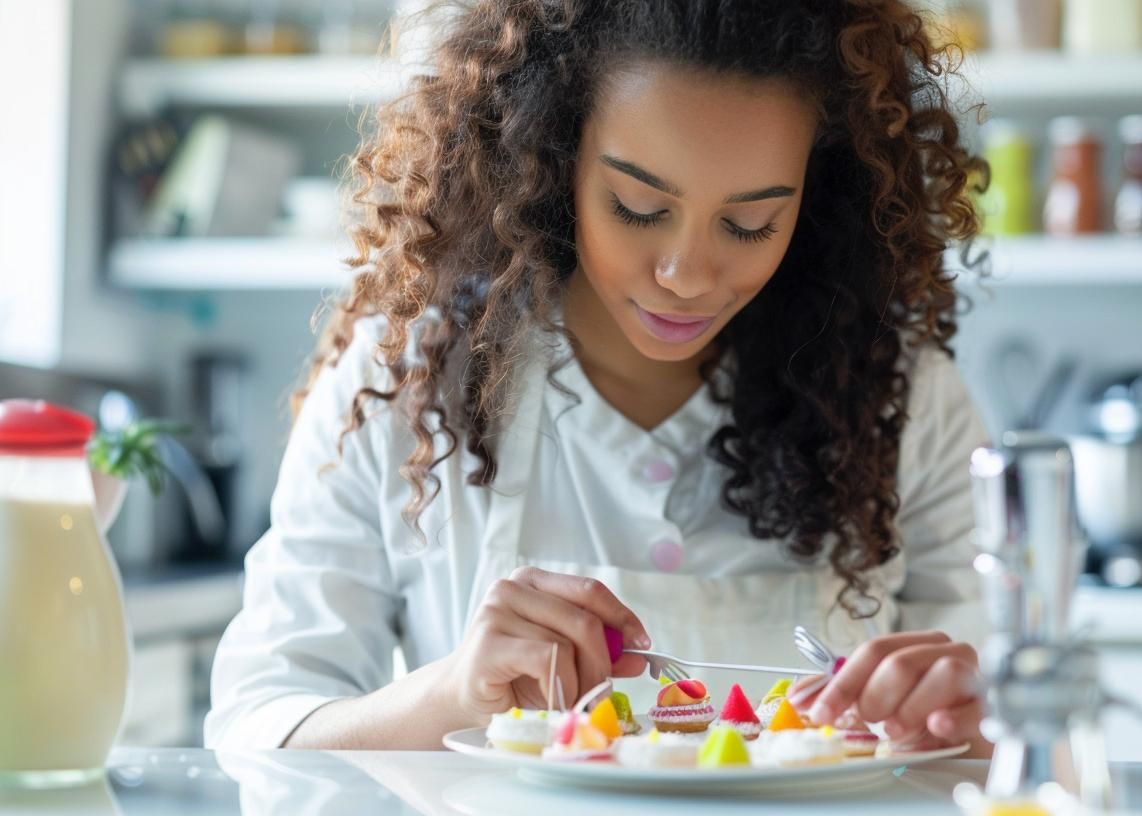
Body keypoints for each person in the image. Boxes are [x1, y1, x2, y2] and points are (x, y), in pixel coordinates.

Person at [205, 0, 992, 755]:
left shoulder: (904, 403)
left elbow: (1027, 745)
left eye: (750, 223)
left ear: (815, 201)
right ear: (554, 159)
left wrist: (976, 727)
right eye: (638, 207)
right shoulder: (409, 379)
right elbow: (254, 729)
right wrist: (452, 695)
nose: (686, 275)